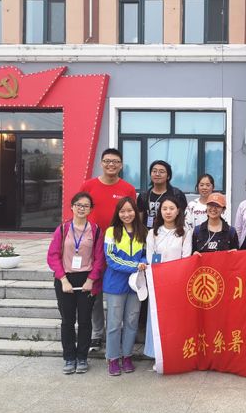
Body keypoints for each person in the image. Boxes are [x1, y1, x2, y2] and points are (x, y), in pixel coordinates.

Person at [80, 148, 136, 352]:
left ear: (121, 165)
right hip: (93, 245)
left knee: (119, 291)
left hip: (119, 247)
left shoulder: (128, 188)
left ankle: (118, 332)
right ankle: (97, 333)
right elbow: (80, 211)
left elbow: (132, 216)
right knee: (94, 290)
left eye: (115, 161)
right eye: (107, 161)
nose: (111, 164)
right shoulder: (88, 185)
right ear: (101, 163)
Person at [47, 192, 104, 375]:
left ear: (90, 209)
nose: (81, 208)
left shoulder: (95, 230)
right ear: (72, 207)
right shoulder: (63, 229)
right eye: (78, 205)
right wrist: (63, 279)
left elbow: (99, 259)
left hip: (87, 279)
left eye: (85, 206)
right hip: (65, 279)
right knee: (67, 321)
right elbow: (52, 256)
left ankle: (82, 357)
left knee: (85, 320)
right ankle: (69, 357)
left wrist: (91, 280)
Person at [103, 196, 148, 376]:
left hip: (136, 284)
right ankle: (113, 358)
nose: (126, 214)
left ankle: (127, 356)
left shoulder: (142, 231)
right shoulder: (111, 231)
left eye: (130, 210)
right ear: (118, 213)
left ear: (135, 212)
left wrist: (143, 262)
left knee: (131, 321)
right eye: (122, 211)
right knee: (114, 323)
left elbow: (145, 253)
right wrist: (135, 265)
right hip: (115, 284)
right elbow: (110, 258)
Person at [145, 196, 192, 363]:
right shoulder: (153, 233)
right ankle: (157, 355)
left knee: (175, 320)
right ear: (160, 211)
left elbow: (186, 258)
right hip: (158, 283)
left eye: (171, 208)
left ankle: (174, 354)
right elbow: (150, 258)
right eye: (164, 209)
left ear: (178, 211)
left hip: (176, 283)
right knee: (157, 319)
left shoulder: (185, 233)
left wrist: (174, 276)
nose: (168, 212)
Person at [137, 160, 188, 230]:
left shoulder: (177, 194)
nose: (157, 174)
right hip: (147, 234)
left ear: (168, 176)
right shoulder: (143, 196)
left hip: (171, 233)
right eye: (154, 171)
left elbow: (183, 217)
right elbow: (139, 220)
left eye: (161, 172)